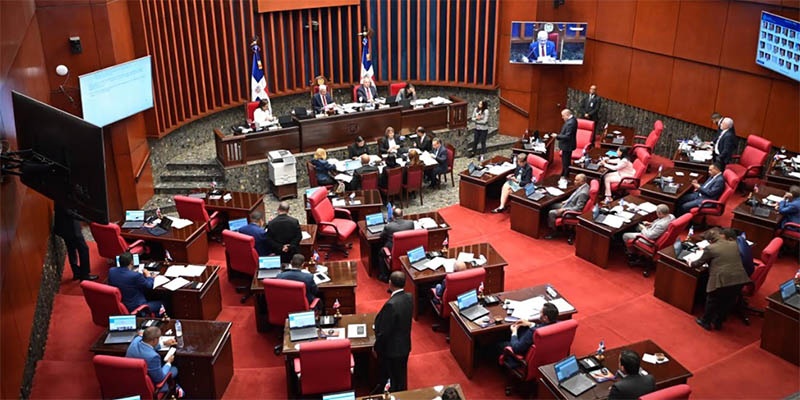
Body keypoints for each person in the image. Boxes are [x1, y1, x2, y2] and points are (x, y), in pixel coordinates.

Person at [689, 229, 751, 331]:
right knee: (728, 301)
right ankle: (718, 322)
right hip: (740, 278)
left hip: (721, 279)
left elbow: (698, 263)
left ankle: (706, 322)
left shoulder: (711, 248)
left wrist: (691, 262)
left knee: (712, 299)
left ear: (710, 241)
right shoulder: (733, 244)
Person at [374, 271, 413, 392]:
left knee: (393, 379)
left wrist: (376, 348)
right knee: (401, 376)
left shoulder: (391, 305)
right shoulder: (409, 297)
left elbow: (385, 332)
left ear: (390, 283)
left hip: (392, 350)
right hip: (405, 346)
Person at [126, 327, 183, 396]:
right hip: (149, 383)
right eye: (159, 339)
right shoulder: (153, 357)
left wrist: (164, 343)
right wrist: (169, 362)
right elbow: (160, 378)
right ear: (154, 340)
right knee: (174, 369)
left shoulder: (136, 340)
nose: (159, 340)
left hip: (132, 380)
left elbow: (146, 346)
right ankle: (176, 388)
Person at [499, 302, 558, 368]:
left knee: (498, 344)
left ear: (545, 318)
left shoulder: (534, 332)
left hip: (523, 353)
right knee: (522, 329)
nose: (539, 314)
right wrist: (531, 324)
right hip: (546, 354)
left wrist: (514, 332)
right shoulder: (559, 326)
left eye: (541, 312)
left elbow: (516, 348)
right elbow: (543, 327)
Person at [108, 252, 165, 316]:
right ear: (132, 262)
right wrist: (149, 276)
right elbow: (149, 285)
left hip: (123, 303)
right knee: (165, 303)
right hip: (137, 307)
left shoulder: (111, 271)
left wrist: (132, 273)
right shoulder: (135, 276)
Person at [53, 204, 97, 281]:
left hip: (64, 229)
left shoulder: (59, 196)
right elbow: (70, 212)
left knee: (71, 250)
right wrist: (85, 219)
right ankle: (85, 274)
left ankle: (76, 272)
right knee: (84, 249)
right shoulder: (64, 198)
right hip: (71, 229)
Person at [545, 174, 590, 242]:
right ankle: (551, 224)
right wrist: (566, 201)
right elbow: (575, 196)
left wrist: (564, 209)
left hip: (571, 211)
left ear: (582, 181)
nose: (574, 181)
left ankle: (554, 232)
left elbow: (578, 208)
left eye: (577, 180)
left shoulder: (583, 193)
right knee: (550, 205)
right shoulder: (584, 186)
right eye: (575, 179)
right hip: (568, 204)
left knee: (552, 213)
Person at [378, 208, 415, 281]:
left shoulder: (389, 226)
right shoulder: (410, 223)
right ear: (402, 215)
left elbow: (381, 236)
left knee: (381, 251)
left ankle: (384, 276)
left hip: (393, 252)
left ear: (393, 216)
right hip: (407, 251)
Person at [557, 109, 577, 178]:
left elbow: (567, 136)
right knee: (566, 161)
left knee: (566, 162)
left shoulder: (571, 123)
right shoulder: (573, 119)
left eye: (563, 116)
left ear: (567, 115)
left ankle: (565, 176)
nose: (562, 117)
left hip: (567, 146)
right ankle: (564, 173)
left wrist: (557, 136)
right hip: (568, 145)